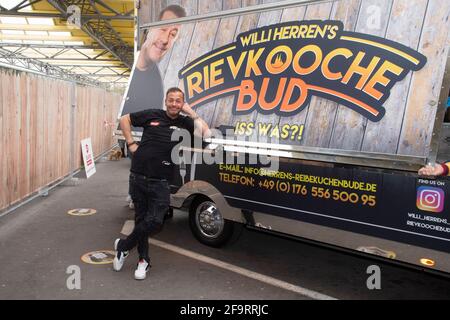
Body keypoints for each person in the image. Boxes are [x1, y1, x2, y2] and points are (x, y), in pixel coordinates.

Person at [114, 87, 210, 280]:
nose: (174, 104)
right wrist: (131, 143)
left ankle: (123, 246)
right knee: (142, 219)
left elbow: (206, 134)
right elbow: (124, 119)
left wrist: (191, 112)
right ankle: (144, 261)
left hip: (161, 180)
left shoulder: (185, 122)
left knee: (156, 220)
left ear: (182, 103)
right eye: (171, 100)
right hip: (138, 176)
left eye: (178, 101)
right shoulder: (152, 115)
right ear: (165, 101)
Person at [120, 4, 186, 209]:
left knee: (149, 216)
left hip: (149, 168)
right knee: (144, 214)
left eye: (173, 34)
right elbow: (124, 118)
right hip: (139, 163)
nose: (166, 40)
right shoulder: (132, 76)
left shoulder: (158, 83)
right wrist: (131, 144)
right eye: (163, 29)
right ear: (149, 30)